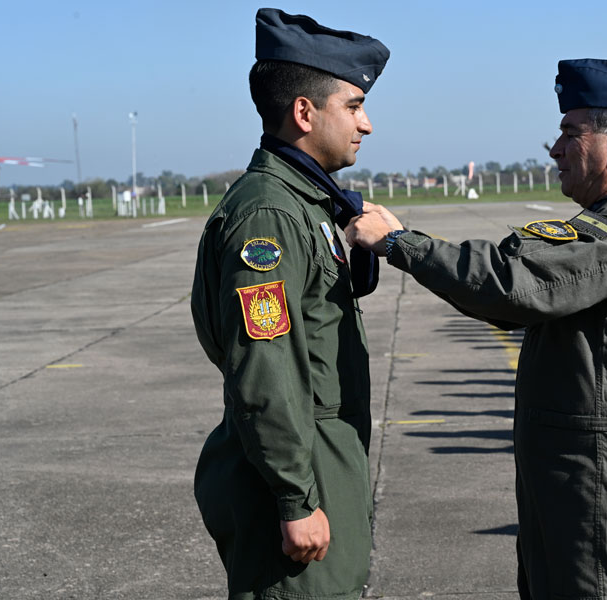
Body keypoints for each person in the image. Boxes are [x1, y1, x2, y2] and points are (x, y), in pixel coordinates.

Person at [347, 58, 607, 600]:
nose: (554, 148)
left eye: (570, 132)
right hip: (573, 463)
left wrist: (399, 243)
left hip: (595, 469)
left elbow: (514, 286)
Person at [190, 9, 389, 598]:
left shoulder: (303, 205)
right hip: (300, 474)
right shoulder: (270, 216)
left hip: (321, 459)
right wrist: (295, 499)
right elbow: (265, 365)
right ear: (305, 112)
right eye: (353, 106)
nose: (367, 123)